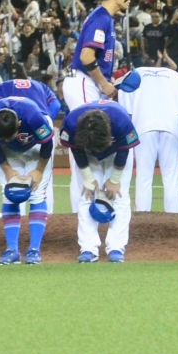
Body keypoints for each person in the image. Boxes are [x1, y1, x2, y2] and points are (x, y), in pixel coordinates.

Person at [61, 0, 132, 212]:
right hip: (82, 80)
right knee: (84, 142)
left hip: (86, 80)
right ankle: (81, 212)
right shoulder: (102, 18)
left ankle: (89, 208)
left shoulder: (105, 18)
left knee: (87, 144)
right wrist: (103, 84)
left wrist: (107, 80)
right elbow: (86, 57)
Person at [0, 96, 55, 265]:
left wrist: (39, 170)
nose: (7, 139)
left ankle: (34, 250)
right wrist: (7, 169)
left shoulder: (32, 116)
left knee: (36, 194)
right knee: (10, 194)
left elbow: (47, 143)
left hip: (36, 147)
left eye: (10, 136)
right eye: (3, 137)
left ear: (19, 123)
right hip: (9, 153)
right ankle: (12, 250)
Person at [60, 100, 139, 263]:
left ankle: (116, 247)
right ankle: (88, 248)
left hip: (116, 153)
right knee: (86, 195)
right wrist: (88, 178)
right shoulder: (71, 123)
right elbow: (76, 150)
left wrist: (115, 179)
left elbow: (124, 150)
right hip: (87, 154)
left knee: (119, 195)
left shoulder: (121, 122)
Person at [118, 63, 178, 213]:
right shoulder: (176, 76)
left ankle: (143, 220)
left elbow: (125, 110)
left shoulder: (134, 74)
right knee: (171, 177)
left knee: (144, 177)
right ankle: (174, 220)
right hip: (171, 126)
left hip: (143, 125)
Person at [0, 71, 63, 215]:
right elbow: (56, 105)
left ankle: (17, 218)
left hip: (11, 136)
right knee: (41, 186)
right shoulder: (40, 86)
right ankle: (45, 218)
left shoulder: (2, 86)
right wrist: (45, 119)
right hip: (36, 133)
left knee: (14, 183)